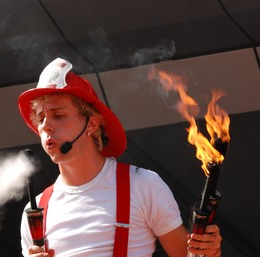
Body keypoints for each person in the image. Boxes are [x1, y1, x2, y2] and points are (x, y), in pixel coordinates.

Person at [17, 58, 222, 257]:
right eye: (40, 118)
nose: (45, 126)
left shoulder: (143, 185)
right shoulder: (35, 211)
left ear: (92, 124)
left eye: (58, 115)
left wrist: (207, 252)